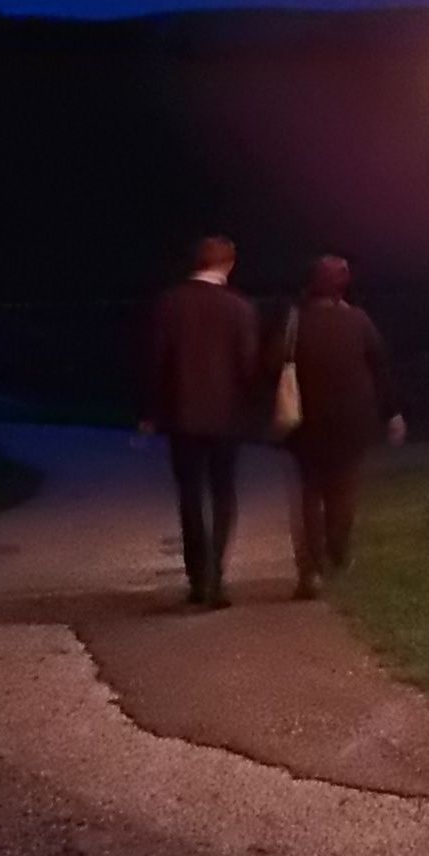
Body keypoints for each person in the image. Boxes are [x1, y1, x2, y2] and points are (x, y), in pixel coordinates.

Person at [270, 255, 403, 599]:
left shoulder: (294, 321)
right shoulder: (359, 320)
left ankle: (312, 570)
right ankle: (339, 550)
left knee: (309, 494)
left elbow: (273, 366)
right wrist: (392, 413)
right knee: (344, 489)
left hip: (305, 421)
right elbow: (380, 367)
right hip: (352, 420)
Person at [141, 235, 260, 607]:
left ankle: (198, 576)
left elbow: (156, 362)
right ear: (229, 264)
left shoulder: (170, 303)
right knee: (223, 492)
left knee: (190, 494)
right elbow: (248, 366)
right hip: (227, 416)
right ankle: (217, 573)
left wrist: (150, 410)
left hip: (183, 415)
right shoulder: (240, 307)